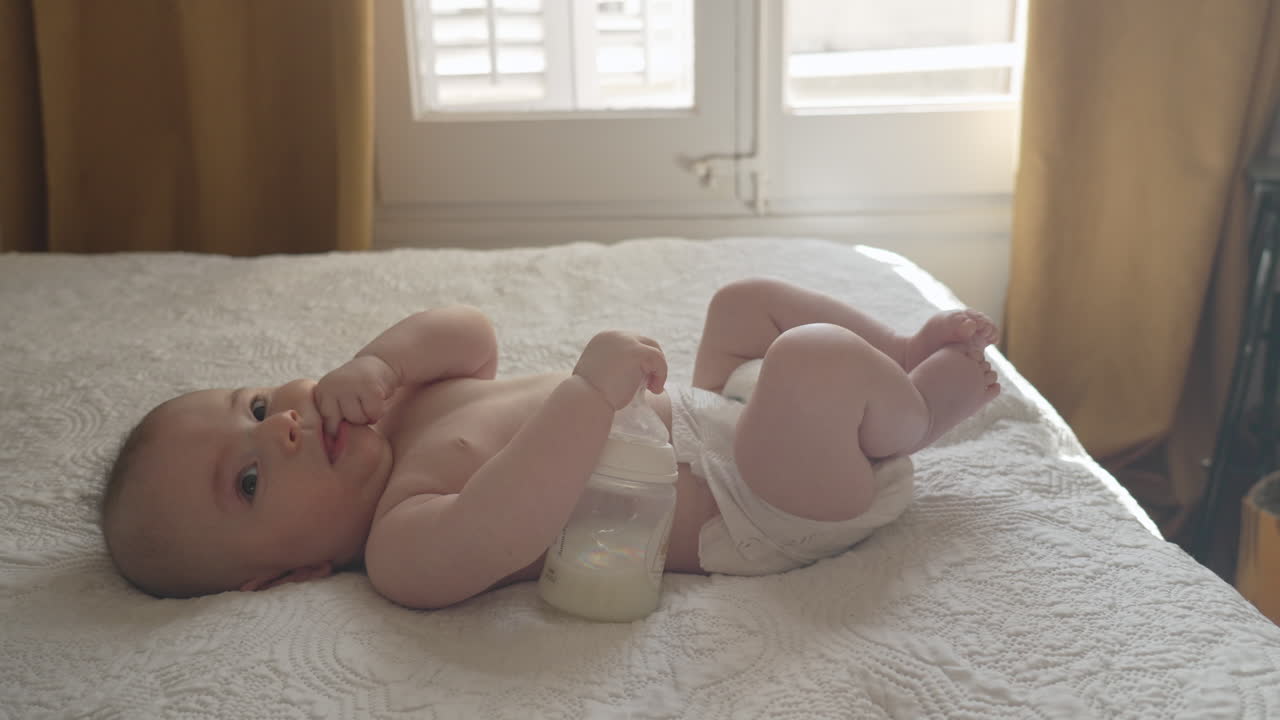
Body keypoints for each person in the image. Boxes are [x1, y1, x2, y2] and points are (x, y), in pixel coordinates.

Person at [101, 277, 1000, 607]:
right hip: (760, 501)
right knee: (805, 360)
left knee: (740, 305)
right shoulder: (401, 545)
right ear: (285, 575)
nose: (286, 427)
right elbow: (513, 521)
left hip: (713, 415)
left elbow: (469, 331)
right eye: (250, 479)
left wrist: (378, 361)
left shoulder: (406, 405)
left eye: (257, 405)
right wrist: (585, 393)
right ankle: (923, 411)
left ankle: (900, 352)